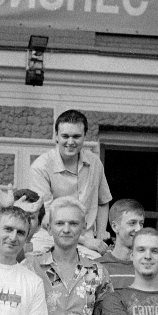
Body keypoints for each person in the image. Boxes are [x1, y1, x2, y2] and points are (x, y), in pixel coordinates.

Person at [28, 110, 113, 257]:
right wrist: (85, 240)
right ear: (56, 136)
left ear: (85, 136)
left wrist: (100, 234)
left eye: (76, 136)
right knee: (40, 264)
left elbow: (103, 202)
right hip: (48, 238)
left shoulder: (94, 163)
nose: (71, 142)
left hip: (87, 242)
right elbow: (44, 216)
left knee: (94, 268)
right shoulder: (40, 167)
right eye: (65, 136)